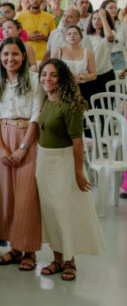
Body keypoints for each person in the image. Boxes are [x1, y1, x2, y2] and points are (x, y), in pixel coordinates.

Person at [35, 59, 104, 281]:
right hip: (43, 162)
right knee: (50, 212)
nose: (47, 79)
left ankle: (70, 261)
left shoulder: (70, 106)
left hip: (63, 162)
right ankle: (56, 258)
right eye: (44, 74)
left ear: (62, 78)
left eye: (53, 75)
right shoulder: (46, 101)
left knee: (65, 212)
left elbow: (77, 142)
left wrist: (77, 172)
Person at [0, 37, 43, 271]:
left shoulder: (34, 80)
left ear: (23, 55)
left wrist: (22, 148)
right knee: (7, 194)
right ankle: (14, 247)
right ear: (0, 58)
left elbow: (37, 115)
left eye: (15, 54)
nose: (10, 59)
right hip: (4, 138)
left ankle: (29, 250)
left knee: (27, 196)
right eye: (5, 54)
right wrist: (1, 147)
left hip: (27, 138)